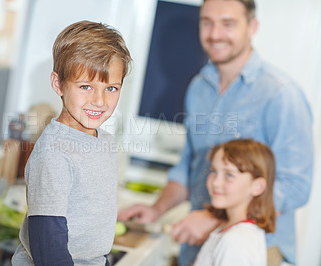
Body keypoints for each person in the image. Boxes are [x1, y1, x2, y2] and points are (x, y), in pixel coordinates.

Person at [118, 0, 313, 265]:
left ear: (252, 27)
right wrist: (157, 208)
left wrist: (215, 218)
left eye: (228, 24)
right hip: (201, 243)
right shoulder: (199, 87)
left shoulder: (281, 94)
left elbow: (296, 186)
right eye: (207, 22)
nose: (215, 34)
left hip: (253, 247)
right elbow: (190, 164)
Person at [12, 20, 131, 266]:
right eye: (85, 86)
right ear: (58, 84)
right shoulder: (54, 153)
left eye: (111, 88)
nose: (99, 101)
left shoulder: (105, 142)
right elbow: (48, 243)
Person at [194, 139, 276, 265]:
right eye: (214, 171)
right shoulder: (231, 232)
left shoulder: (236, 241)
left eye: (229, 175)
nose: (216, 182)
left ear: (257, 186)